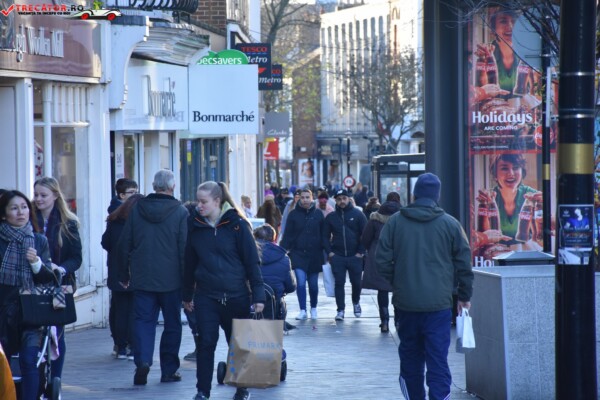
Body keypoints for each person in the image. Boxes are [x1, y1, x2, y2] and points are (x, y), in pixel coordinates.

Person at [376, 173, 473, 400]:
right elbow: (464, 264)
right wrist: (464, 295)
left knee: (410, 358)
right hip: (439, 305)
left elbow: (381, 260)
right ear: (437, 196)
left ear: (414, 195)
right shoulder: (450, 224)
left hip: (406, 303)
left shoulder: (395, 222)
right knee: (438, 359)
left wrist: (399, 282)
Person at [182, 181, 265, 400]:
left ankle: (242, 388)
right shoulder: (195, 225)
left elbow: (252, 262)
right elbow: (189, 262)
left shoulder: (237, 225)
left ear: (217, 201)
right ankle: (202, 391)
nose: (199, 206)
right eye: (198, 201)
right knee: (206, 343)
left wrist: (258, 295)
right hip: (207, 296)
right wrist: (187, 294)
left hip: (236, 295)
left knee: (237, 344)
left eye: (203, 201)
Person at [117, 169, 188, 385]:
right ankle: (169, 370)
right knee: (172, 324)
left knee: (143, 322)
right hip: (172, 280)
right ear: (172, 186)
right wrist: (188, 284)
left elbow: (124, 243)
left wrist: (124, 274)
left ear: (153, 186)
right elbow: (184, 250)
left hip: (143, 278)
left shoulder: (137, 209)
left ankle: (143, 361)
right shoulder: (180, 212)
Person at [0, 190, 54, 400]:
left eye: (24, 207)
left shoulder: (39, 241)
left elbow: (48, 278)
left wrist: (36, 263)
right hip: (3, 311)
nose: (20, 212)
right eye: (14, 208)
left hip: (31, 312)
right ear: (4, 214)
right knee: (4, 362)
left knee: (29, 360)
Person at [33, 176, 82, 384]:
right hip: (32, 286)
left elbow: (76, 258)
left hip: (59, 286)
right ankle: (36, 379)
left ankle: (55, 380)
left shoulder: (68, 223)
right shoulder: (28, 220)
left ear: (55, 195)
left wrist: (60, 268)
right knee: (34, 335)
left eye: (43, 195)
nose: (38, 199)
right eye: (36, 195)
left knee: (57, 333)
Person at [101, 193, 144, 360]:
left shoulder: (114, 221)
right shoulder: (139, 223)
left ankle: (121, 347)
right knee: (134, 311)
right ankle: (132, 346)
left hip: (116, 271)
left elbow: (105, 243)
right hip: (135, 272)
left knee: (120, 310)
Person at [322, 189, 367, 321]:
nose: (342, 201)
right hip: (338, 256)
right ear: (335, 200)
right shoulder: (331, 217)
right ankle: (340, 310)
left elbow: (365, 234)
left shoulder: (358, 214)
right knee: (339, 283)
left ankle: (356, 302)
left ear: (348, 199)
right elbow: (324, 236)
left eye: (344, 198)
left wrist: (360, 252)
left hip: (355, 256)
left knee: (356, 283)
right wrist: (330, 252)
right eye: (339, 199)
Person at [475, 154, 541, 243]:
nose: (511, 173)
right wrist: (483, 205)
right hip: (497, 249)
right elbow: (484, 235)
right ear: (495, 174)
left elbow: (541, 235)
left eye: (516, 167)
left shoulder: (531, 195)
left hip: (525, 249)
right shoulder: (489, 197)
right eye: (505, 168)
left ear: (522, 172)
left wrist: (543, 206)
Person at [280, 189, 324, 320]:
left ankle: (314, 308)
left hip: (315, 254)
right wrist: (282, 250)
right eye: (302, 197)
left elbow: (324, 234)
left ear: (312, 198)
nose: (305, 200)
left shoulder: (318, 214)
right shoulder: (293, 214)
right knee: (300, 282)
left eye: (307, 197)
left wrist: (327, 252)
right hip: (298, 253)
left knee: (313, 285)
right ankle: (303, 310)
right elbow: (288, 234)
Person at [361, 193, 401, 333]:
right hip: (398, 255)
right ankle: (398, 320)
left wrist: (370, 249)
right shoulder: (403, 217)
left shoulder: (375, 217)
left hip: (378, 255)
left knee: (382, 289)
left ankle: (384, 322)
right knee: (398, 289)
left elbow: (365, 238)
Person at [253, 223, 296, 318]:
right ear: (274, 238)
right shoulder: (284, 258)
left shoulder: (246, 255)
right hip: (274, 304)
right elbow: (291, 287)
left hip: (251, 303)